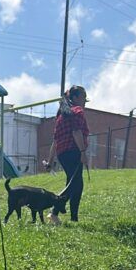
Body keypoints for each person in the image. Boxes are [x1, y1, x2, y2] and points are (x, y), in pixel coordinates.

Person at [47, 85, 89, 222]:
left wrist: (50, 161)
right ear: (75, 98)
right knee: (76, 184)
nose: (85, 100)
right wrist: (82, 152)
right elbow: (76, 132)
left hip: (62, 154)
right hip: (74, 151)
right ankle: (55, 212)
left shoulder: (60, 116)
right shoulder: (77, 111)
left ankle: (70, 217)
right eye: (83, 97)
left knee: (72, 183)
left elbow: (55, 141)